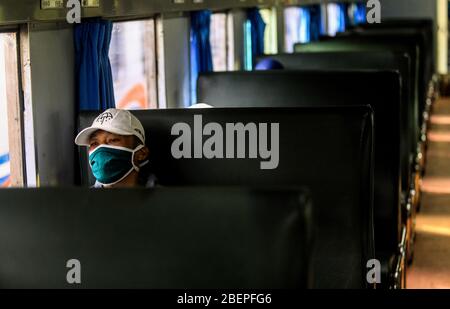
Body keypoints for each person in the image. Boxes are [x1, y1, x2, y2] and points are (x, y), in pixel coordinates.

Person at [75, 108, 156, 188]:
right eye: (94, 143)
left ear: (142, 153)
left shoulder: (163, 199)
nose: (100, 149)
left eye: (113, 140)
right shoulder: (81, 200)